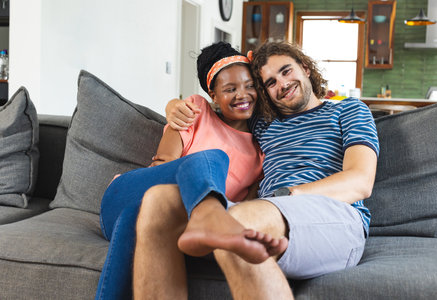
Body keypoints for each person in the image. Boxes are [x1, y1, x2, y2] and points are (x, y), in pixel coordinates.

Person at [165, 41, 379, 299]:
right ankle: (215, 224)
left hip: (334, 215)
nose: (282, 84)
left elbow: (360, 182)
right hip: (267, 213)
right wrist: (173, 106)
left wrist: (288, 194)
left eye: (286, 71)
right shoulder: (264, 124)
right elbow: (227, 102)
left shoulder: (350, 110)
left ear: (305, 68)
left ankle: (213, 224)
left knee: (232, 223)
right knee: (158, 207)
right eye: (270, 82)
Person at [95, 41, 288, 300]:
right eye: (230, 89)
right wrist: (173, 105)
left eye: (250, 85)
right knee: (211, 160)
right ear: (213, 95)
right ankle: (211, 217)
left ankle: (210, 220)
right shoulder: (195, 111)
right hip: (127, 194)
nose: (243, 95)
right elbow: (161, 167)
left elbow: (245, 205)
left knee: (137, 217)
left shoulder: (260, 153)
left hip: (163, 219)